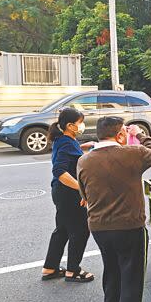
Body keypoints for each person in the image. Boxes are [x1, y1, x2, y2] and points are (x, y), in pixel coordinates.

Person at [77, 117, 151, 302]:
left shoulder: (84, 160)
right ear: (120, 134)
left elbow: (84, 194)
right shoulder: (133, 153)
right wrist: (139, 133)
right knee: (131, 279)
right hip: (130, 227)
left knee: (112, 272)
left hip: (99, 228)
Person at [41, 107, 96, 282]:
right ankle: (73, 271)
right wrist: (81, 189)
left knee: (63, 230)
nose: (82, 126)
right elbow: (59, 170)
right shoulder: (66, 142)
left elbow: (69, 155)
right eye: (80, 123)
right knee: (80, 231)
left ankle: (50, 268)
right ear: (71, 126)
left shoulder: (64, 140)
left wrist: (82, 148)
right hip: (69, 194)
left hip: (61, 193)